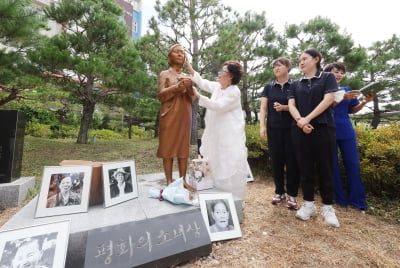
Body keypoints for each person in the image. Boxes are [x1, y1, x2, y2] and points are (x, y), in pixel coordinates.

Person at [288, 48, 340, 227]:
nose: (301, 62)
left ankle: (328, 207)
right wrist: (300, 122)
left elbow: (328, 100)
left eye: (304, 59)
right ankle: (309, 204)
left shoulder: (327, 78)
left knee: (325, 168)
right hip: (300, 129)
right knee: (305, 168)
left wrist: (307, 119)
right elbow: (291, 104)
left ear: (316, 59)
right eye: (299, 60)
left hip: (323, 128)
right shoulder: (295, 84)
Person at [185, 59, 248, 199]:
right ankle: (215, 195)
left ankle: (234, 198)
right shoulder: (218, 87)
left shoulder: (234, 92)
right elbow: (203, 82)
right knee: (214, 160)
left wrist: (198, 96)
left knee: (227, 163)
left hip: (229, 135)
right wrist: (189, 67)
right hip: (215, 133)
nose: (219, 74)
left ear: (230, 75)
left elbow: (218, 106)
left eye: (222, 71)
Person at [323, 62, 374, 210]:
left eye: (342, 72)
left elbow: (352, 110)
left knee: (353, 164)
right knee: (333, 166)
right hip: (328, 130)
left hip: (346, 130)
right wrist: (340, 98)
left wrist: (364, 102)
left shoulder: (347, 90)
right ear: (328, 73)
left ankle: (357, 200)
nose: (339, 74)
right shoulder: (323, 90)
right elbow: (323, 108)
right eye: (336, 71)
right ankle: (339, 198)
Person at [259, 57, 300, 209]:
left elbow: (300, 106)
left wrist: (285, 108)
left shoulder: (296, 85)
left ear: (288, 67)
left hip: (292, 128)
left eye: (280, 65)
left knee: (292, 161)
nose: (276, 68)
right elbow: (263, 108)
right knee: (276, 161)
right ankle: (279, 192)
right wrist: (262, 126)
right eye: (274, 66)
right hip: (273, 128)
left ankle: (292, 194)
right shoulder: (269, 87)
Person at [157, 44, 196, 191]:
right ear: (169, 57)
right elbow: (161, 95)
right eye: (177, 52)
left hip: (184, 115)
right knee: (168, 148)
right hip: (169, 115)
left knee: (182, 150)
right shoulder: (165, 74)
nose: (180, 54)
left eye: (182, 52)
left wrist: (189, 87)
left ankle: (182, 180)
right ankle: (168, 181)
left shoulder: (187, 77)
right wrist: (176, 88)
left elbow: (192, 99)